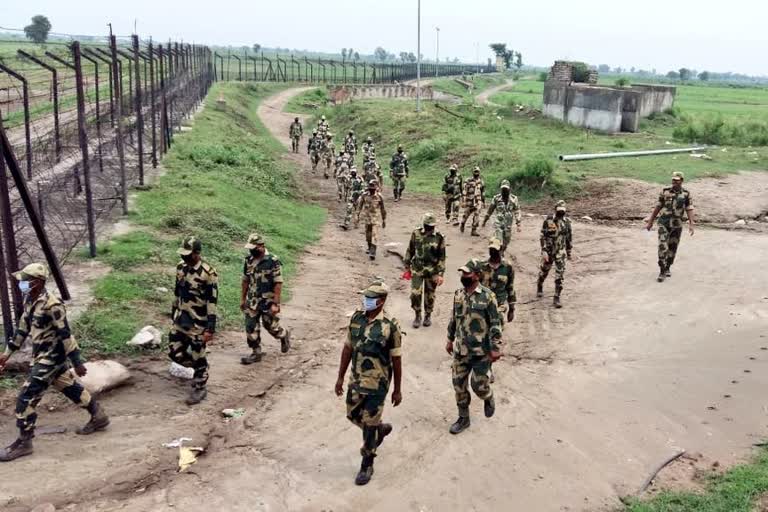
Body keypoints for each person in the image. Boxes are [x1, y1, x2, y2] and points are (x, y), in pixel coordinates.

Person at [0, 263, 110, 462]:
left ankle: (25, 442)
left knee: (25, 399)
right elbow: (22, 330)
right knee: (68, 387)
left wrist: (77, 361)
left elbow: (65, 333)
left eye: (25, 280)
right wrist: (6, 354)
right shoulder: (30, 300)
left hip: (50, 359)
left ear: (37, 282)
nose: (21, 284)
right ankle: (98, 415)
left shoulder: (53, 304)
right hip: (42, 357)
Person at [334, 281, 402, 486]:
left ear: (381, 301)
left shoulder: (390, 326)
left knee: (369, 426)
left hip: (377, 385)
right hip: (356, 380)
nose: (366, 301)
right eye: (365, 297)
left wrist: (397, 390)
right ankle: (379, 430)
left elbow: (397, 359)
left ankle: (367, 463)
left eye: (370, 298)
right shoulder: (357, 319)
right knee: (353, 415)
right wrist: (340, 377)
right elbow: (347, 348)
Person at [446, 259, 502, 435]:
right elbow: (454, 319)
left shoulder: (488, 297)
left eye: (467, 273)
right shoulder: (458, 294)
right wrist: (449, 339)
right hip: (461, 350)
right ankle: (463, 418)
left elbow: (495, 324)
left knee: (478, 385)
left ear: (477, 275)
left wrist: (495, 348)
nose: (463, 276)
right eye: (462, 273)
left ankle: (488, 397)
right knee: (458, 385)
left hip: (480, 352)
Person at [169, 237, 219, 404]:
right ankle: (201, 367)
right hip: (181, 320)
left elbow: (212, 302)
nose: (185, 258)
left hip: (198, 323)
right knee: (174, 352)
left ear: (197, 254)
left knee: (198, 353)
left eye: (188, 254)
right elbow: (177, 292)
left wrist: (210, 329)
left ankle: (200, 385)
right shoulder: (180, 268)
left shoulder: (208, 274)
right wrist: (173, 312)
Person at [240, 233, 292, 364]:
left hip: (268, 301)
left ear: (261, 246)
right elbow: (245, 280)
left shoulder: (272, 261)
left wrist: (276, 303)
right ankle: (255, 352)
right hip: (252, 300)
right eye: (250, 248)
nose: (251, 250)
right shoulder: (249, 260)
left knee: (270, 325)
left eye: (254, 247)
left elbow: (278, 283)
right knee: (250, 326)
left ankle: (283, 334)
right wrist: (242, 299)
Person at [645, 171, 695, 282]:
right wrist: (650, 221)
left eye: (677, 180)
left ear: (682, 181)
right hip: (664, 223)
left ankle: (668, 267)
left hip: (677, 225)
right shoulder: (665, 192)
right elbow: (658, 207)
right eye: (673, 180)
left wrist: (691, 223)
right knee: (663, 247)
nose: (674, 182)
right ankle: (662, 270)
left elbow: (689, 208)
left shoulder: (686, 194)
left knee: (672, 248)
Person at [481, 238, 516, 383]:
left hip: (500, 306)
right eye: (491, 249)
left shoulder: (507, 267)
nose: (493, 252)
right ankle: (483, 365)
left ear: (501, 250)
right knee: (482, 335)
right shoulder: (482, 266)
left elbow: (510, 287)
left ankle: (489, 367)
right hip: (483, 306)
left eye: (495, 249)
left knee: (494, 336)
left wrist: (512, 308)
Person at [404, 213, 446, 329]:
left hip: (432, 271)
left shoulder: (439, 237)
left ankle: (428, 315)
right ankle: (417, 315)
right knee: (415, 293)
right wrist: (407, 266)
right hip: (417, 269)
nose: (429, 228)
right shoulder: (416, 233)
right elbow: (410, 250)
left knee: (430, 296)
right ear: (423, 224)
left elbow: (442, 257)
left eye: (431, 226)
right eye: (427, 226)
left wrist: (441, 274)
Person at [537, 201, 572, 308]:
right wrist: (543, 251)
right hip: (549, 252)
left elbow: (569, 237)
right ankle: (540, 284)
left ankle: (556, 297)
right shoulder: (548, 221)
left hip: (560, 253)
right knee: (544, 271)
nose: (561, 213)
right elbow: (542, 236)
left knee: (559, 276)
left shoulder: (567, 222)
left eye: (563, 211)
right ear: (555, 210)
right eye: (559, 211)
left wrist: (569, 251)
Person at [482, 179, 522, 256]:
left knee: (506, 242)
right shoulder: (496, 198)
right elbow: (490, 210)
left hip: (508, 225)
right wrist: (484, 221)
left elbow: (517, 211)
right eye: (503, 189)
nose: (504, 191)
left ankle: (501, 252)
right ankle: (498, 255)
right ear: (501, 189)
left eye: (506, 189)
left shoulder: (514, 199)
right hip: (498, 224)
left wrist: (518, 224)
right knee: (498, 240)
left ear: (509, 189)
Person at [356, 179, 387, 260]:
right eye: (370, 188)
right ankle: (369, 247)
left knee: (374, 235)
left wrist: (384, 220)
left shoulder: (379, 197)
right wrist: (357, 215)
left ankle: (373, 252)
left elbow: (383, 209)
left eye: (373, 188)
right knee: (368, 236)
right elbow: (359, 206)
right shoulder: (364, 195)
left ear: (376, 188)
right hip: (367, 219)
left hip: (375, 220)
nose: (371, 189)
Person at [460, 169, 484, 236]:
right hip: (469, 201)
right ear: (472, 172)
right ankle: (462, 223)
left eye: (477, 171)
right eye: (475, 171)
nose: (476, 173)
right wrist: (463, 201)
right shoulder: (467, 180)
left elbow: (482, 192)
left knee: (477, 215)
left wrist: (483, 201)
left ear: (479, 172)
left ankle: (473, 230)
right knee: (466, 215)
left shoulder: (481, 181)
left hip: (477, 201)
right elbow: (464, 191)